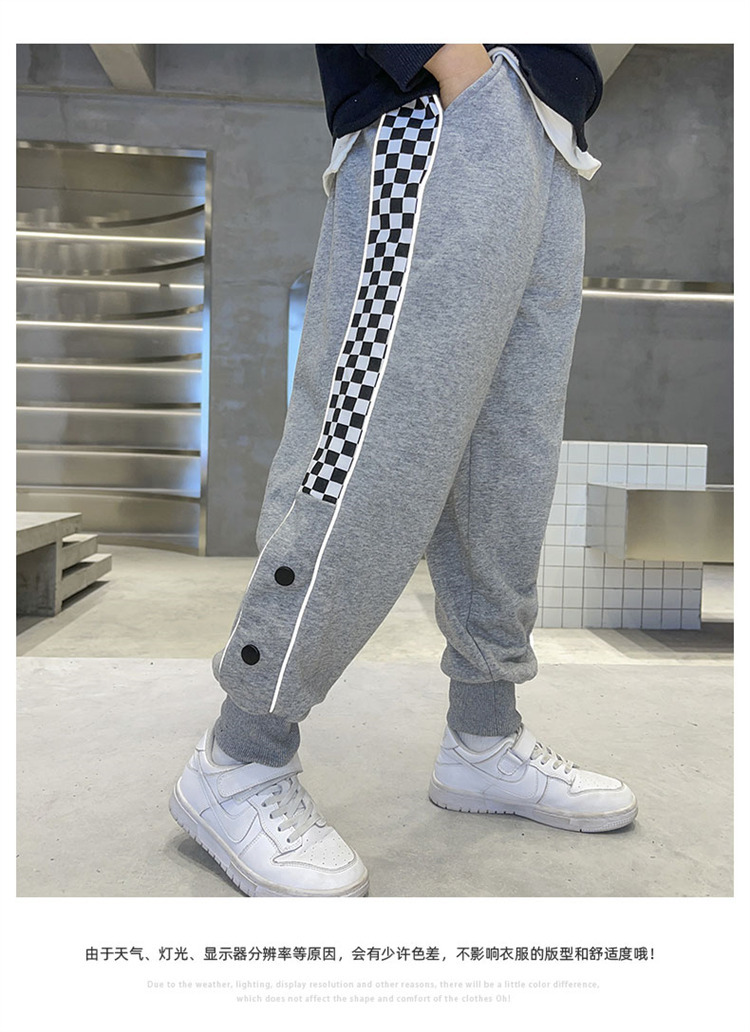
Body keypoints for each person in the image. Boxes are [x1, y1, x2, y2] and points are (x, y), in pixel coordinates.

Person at [170, 43, 637, 897]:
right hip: (439, 106)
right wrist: (458, 66)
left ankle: (484, 736)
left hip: (551, 137)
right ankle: (240, 757)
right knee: (374, 449)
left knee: (508, 462)